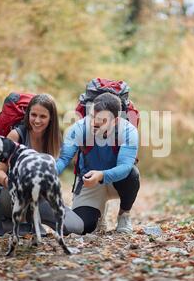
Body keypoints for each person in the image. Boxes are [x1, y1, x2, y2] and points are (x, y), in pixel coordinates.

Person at [0, 93, 84, 236]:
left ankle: (31, 222)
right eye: (33, 115)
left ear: (51, 118)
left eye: (43, 117)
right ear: (28, 114)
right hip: (11, 194)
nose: (37, 120)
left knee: (76, 226)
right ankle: (14, 222)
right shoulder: (16, 136)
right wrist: (10, 183)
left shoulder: (54, 139)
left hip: (39, 196)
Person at [55, 92, 140, 234]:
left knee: (132, 173)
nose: (95, 123)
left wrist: (101, 175)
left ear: (116, 121)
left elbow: (125, 167)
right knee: (79, 228)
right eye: (93, 117)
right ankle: (97, 216)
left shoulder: (128, 131)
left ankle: (124, 215)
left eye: (103, 120)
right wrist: (48, 174)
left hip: (116, 182)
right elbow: (64, 159)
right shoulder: (79, 128)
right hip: (89, 181)